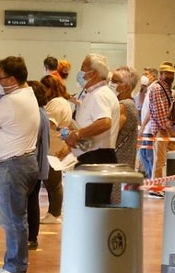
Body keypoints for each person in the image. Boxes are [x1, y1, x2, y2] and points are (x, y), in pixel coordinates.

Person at [0, 56, 40, 273]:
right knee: (16, 217)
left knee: (11, 219)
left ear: (12, 78)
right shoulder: (28, 94)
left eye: (0, 78)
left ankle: (15, 267)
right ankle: (13, 263)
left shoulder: (10, 102)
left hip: (10, 167)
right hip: (22, 163)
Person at [64, 53, 121, 202]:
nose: (80, 72)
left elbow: (104, 122)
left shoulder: (100, 95)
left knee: (93, 209)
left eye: (83, 68)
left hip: (98, 157)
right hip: (92, 156)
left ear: (93, 73)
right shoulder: (93, 94)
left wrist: (77, 134)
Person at [39, 74, 71, 224]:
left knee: (53, 181)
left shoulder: (57, 103)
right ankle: (53, 211)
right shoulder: (59, 102)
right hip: (53, 144)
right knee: (51, 180)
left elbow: (49, 123)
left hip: (53, 146)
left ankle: (54, 212)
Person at [25, 80, 52, 250]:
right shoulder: (41, 113)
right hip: (36, 164)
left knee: (30, 202)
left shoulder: (37, 115)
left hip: (33, 164)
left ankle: (31, 236)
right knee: (31, 201)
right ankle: (31, 236)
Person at [139, 62, 175, 180]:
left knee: (168, 158)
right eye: (167, 73)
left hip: (166, 128)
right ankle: (156, 186)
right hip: (162, 129)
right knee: (158, 160)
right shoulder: (157, 88)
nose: (170, 76)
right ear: (161, 74)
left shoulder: (165, 88)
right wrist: (169, 129)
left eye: (172, 74)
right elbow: (159, 111)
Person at [110, 67, 141, 173]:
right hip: (124, 163)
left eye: (114, 81)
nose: (111, 84)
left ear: (126, 86)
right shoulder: (129, 104)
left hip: (118, 163)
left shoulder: (123, 106)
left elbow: (111, 133)